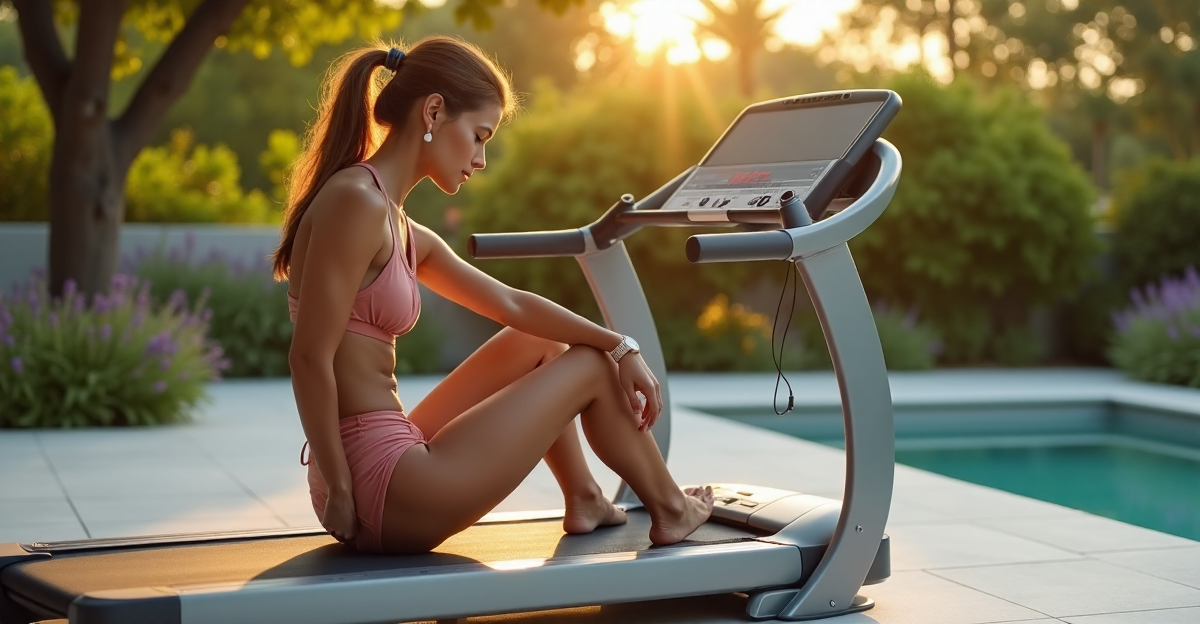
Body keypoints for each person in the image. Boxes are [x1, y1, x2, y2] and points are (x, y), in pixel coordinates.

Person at [271, 36, 713, 555]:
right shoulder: (357, 203)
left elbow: (514, 305)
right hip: (374, 482)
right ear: (433, 112)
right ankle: (672, 508)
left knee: (538, 342)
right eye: (479, 136)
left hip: (377, 456)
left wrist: (621, 344)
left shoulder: (395, 220)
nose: (480, 160)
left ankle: (586, 497)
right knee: (590, 367)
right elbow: (308, 357)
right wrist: (341, 490)